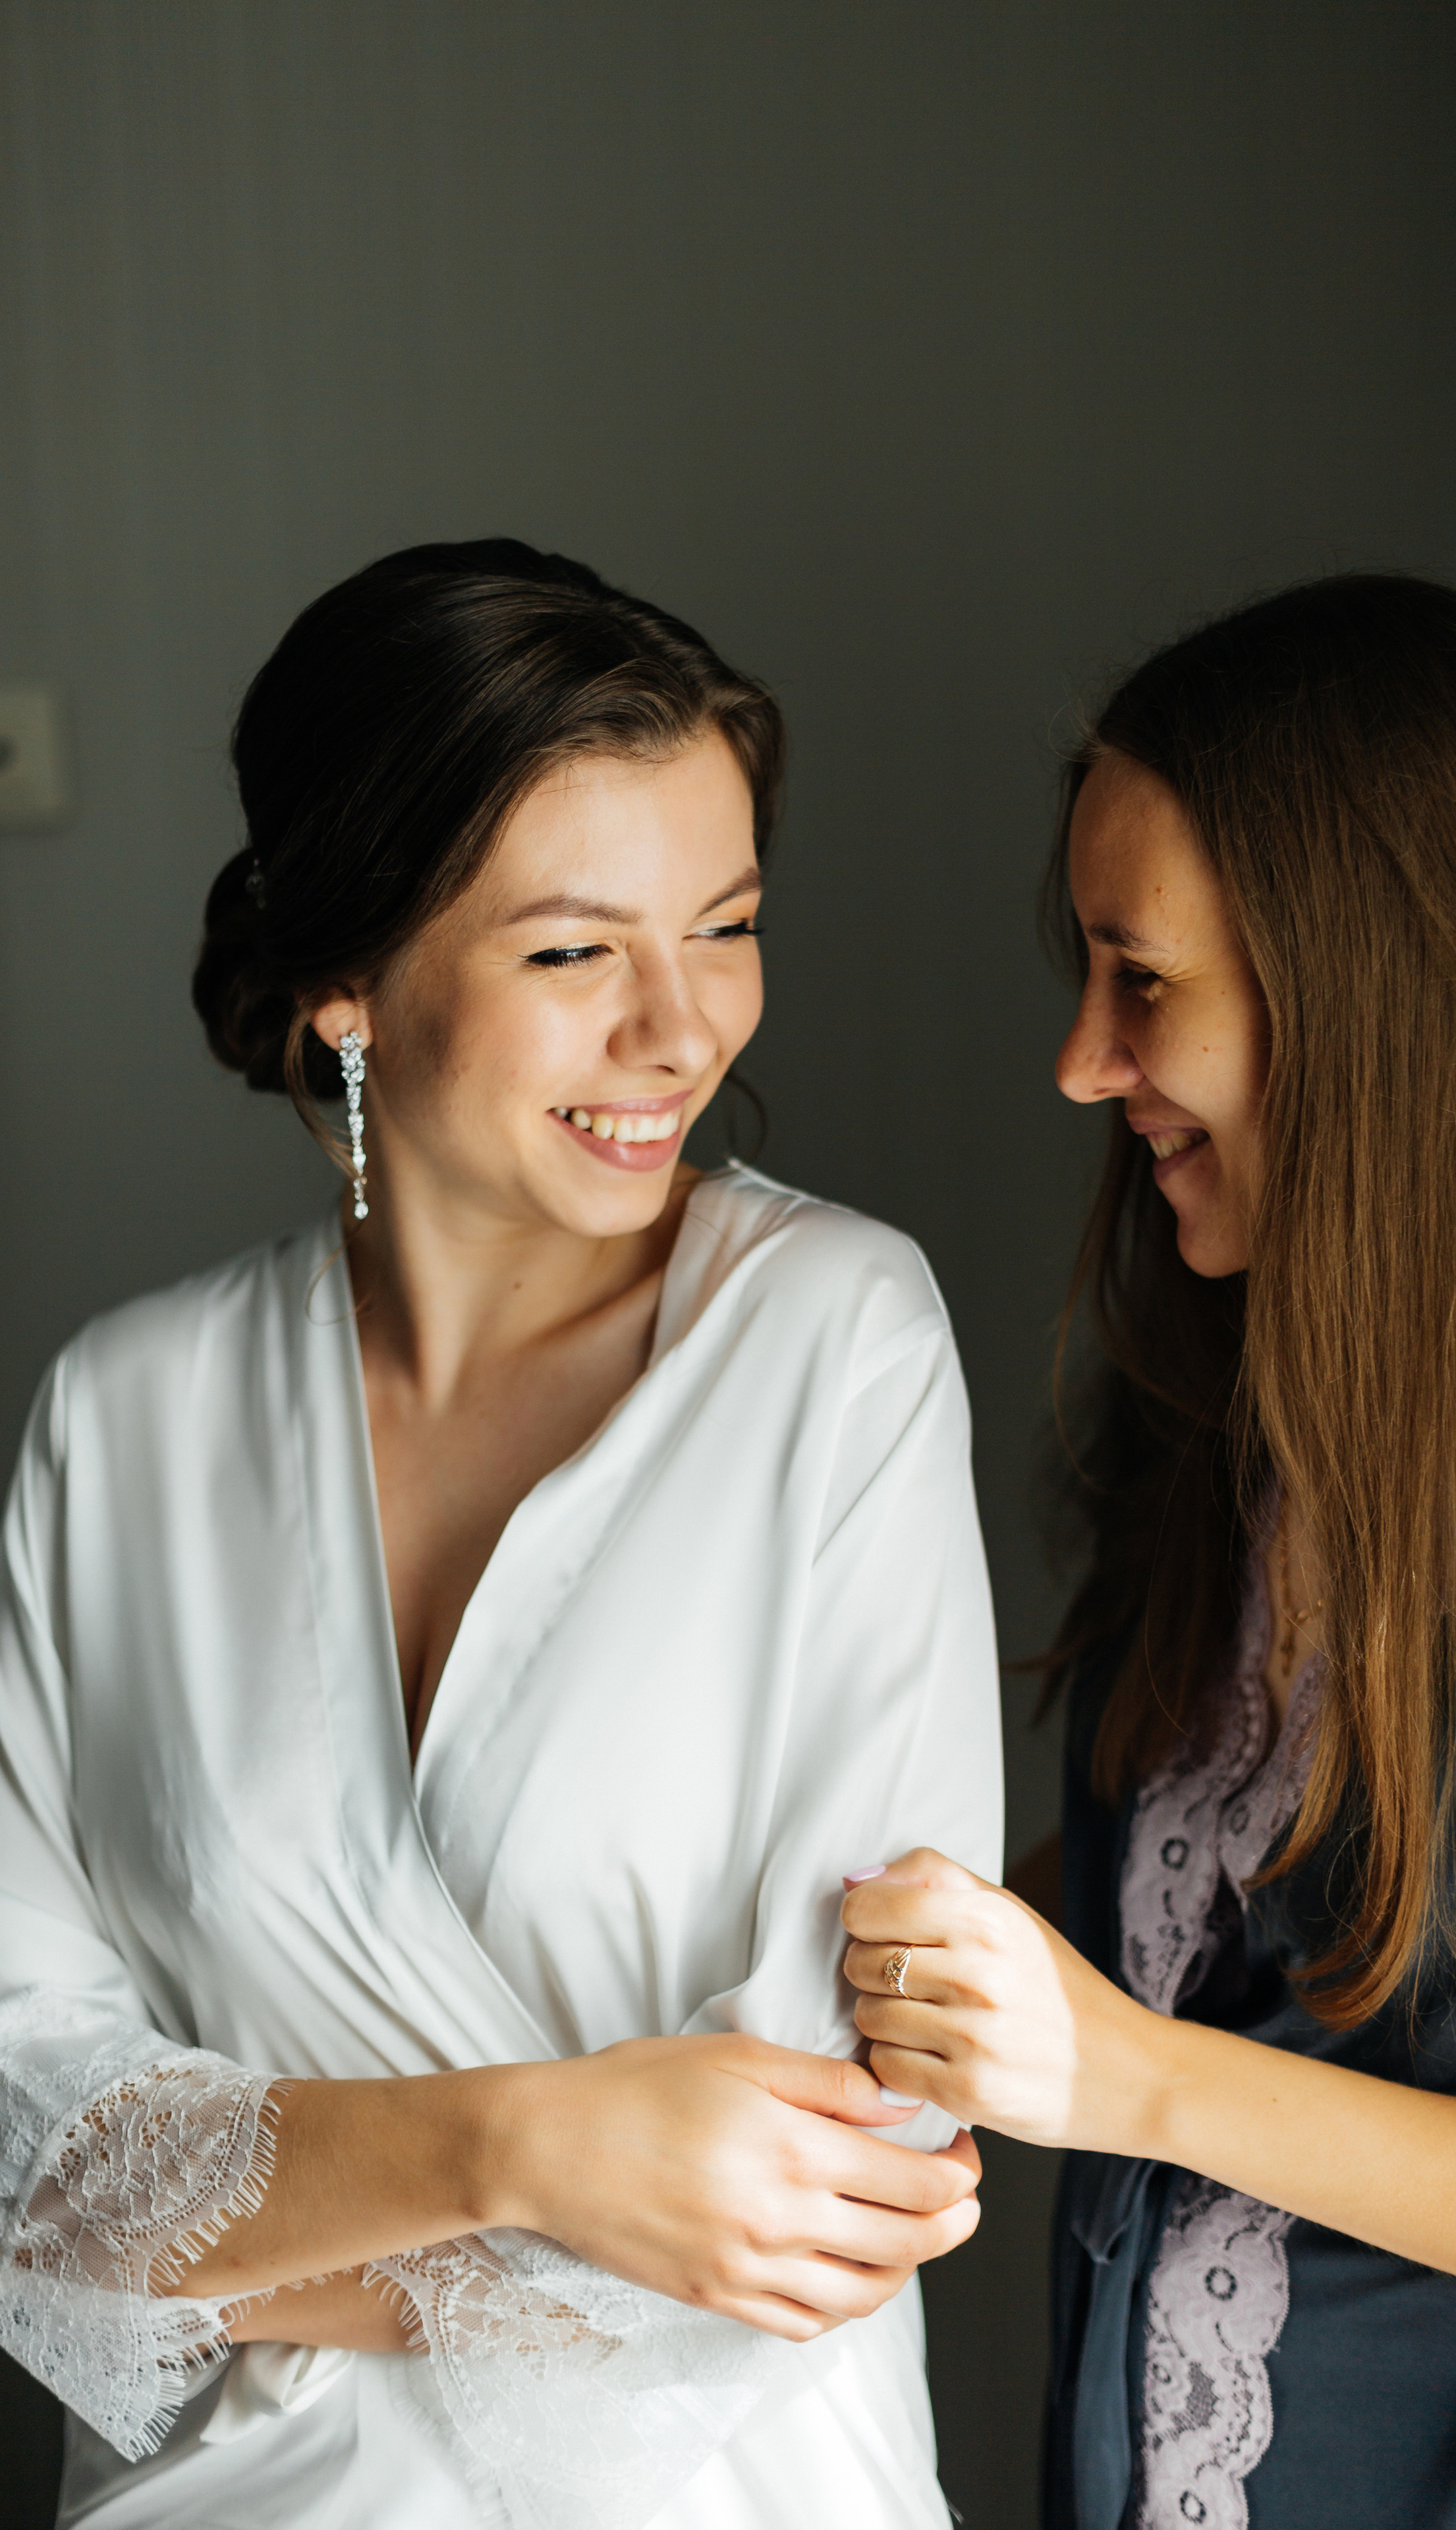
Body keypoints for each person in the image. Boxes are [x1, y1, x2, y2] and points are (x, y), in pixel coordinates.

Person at [0, 540, 1002, 2530]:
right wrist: (533, 2145)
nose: (680, 1030)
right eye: (573, 954)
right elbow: (36, 2182)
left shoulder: (838, 1344)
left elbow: (846, 2169)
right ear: (347, 985)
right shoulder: (116, 1424)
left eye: (724, 925)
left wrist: (243, 2235)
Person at [839, 576, 1456, 2529]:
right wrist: (879, 1956)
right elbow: (1191, 1895)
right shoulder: (1217, 1408)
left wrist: (1122, 2079)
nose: (1078, 1060)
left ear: (1366, 993)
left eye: (1141, 982)